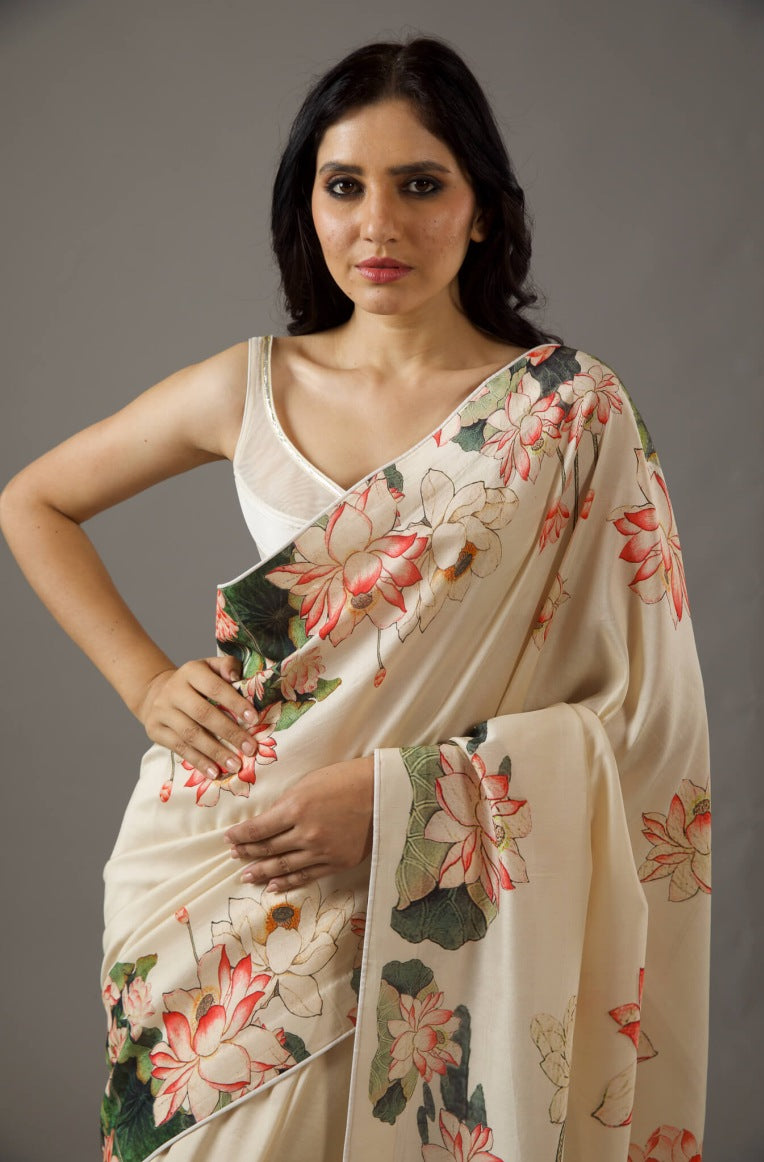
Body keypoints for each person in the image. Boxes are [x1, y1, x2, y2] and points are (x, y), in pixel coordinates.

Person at [0, 36, 710, 1162]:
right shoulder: (250, 386)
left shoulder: (570, 417)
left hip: (431, 876)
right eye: (344, 186)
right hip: (226, 869)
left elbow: (640, 724)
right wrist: (145, 684)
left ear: (481, 211)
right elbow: (33, 500)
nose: (378, 224)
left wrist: (399, 803)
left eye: (419, 184)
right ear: (308, 206)